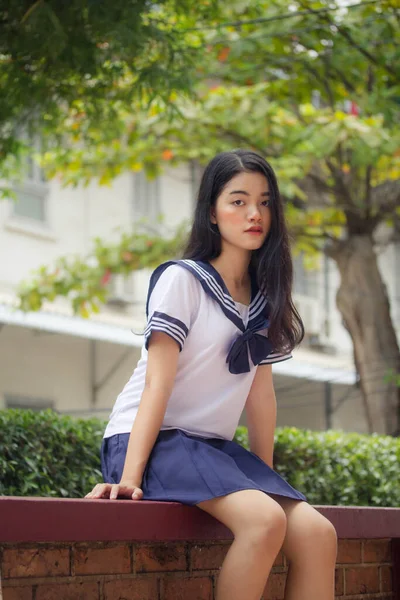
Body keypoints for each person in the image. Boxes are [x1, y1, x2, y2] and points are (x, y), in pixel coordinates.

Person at [85, 149, 338, 600]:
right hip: (153, 439)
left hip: (212, 450)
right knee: (264, 522)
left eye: (264, 202)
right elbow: (156, 384)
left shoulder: (263, 296)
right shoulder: (182, 280)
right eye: (238, 201)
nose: (254, 213)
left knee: (319, 535)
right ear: (212, 213)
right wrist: (129, 476)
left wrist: (265, 480)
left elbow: (260, 398)